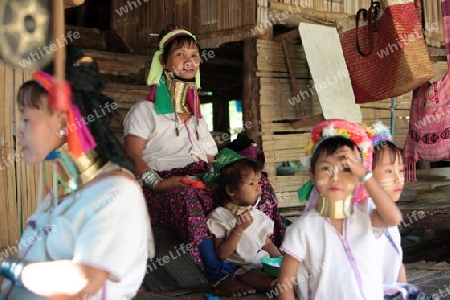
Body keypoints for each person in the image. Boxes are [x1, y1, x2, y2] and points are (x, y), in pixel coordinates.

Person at [123, 24, 284, 267]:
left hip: (200, 180)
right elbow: (132, 156)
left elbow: (212, 163)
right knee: (187, 196)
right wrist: (159, 183)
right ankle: (219, 273)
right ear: (164, 63)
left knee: (259, 185)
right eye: (181, 54)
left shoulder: (198, 119)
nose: (190, 61)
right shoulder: (144, 111)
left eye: (194, 55)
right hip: (161, 187)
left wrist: (234, 172)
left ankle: (273, 260)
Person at [0, 45, 151, 299]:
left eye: (26, 119)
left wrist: (11, 268)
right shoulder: (60, 196)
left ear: (62, 121)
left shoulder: (117, 192)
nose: (19, 131)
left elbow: (82, 282)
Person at [278, 119, 403, 300]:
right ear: (312, 174)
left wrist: (365, 175)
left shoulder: (366, 216)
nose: (336, 177)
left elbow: (394, 218)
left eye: (346, 169)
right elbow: (285, 287)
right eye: (326, 168)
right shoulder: (303, 229)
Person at [366, 121, 436, 300]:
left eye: (401, 170)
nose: (399, 179)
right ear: (365, 174)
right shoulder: (365, 212)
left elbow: (398, 266)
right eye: (389, 171)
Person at [207, 158, 281, 296]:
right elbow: (222, 255)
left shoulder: (256, 214)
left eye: (259, 182)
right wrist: (239, 229)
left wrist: (280, 260)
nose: (258, 187)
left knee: (291, 269)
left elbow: (267, 243)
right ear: (231, 190)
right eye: (251, 183)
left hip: (263, 262)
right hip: (240, 267)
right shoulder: (218, 217)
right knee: (255, 277)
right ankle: (278, 286)